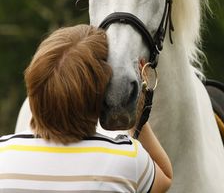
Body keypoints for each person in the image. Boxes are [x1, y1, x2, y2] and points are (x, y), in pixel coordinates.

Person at [0, 24, 172, 192]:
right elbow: (165, 177)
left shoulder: (4, 153)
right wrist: (137, 109)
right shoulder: (127, 160)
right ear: (102, 96)